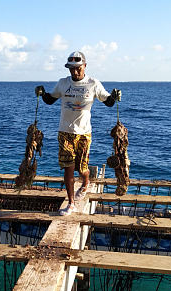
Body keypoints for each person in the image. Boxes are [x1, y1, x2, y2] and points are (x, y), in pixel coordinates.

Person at [35, 51, 121, 216]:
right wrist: (42, 93)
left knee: (82, 169)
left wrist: (115, 97)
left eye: (77, 68)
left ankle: (86, 182)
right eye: (71, 68)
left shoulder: (93, 83)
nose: (74, 72)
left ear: (85, 66)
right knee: (68, 168)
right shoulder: (63, 83)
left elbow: (108, 102)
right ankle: (71, 203)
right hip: (65, 132)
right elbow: (50, 100)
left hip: (84, 134)